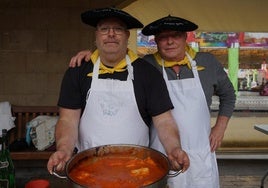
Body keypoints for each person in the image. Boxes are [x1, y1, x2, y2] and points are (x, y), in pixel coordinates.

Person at [69, 15, 236, 188]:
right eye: (163, 37)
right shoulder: (148, 65)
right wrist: (92, 55)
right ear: (156, 40)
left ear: (185, 37)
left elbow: (229, 95)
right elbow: (116, 56)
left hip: (201, 150)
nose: (169, 42)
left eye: (175, 35)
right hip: (162, 152)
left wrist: (220, 128)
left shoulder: (207, 62)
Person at [47, 8, 190, 175]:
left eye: (118, 29)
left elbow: (164, 120)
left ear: (127, 36)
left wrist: (173, 148)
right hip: (87, 170)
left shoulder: (148, 73)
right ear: (96, 35)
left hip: (137, 170)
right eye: (104, 29)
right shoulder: (77, 71)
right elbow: (68, 120)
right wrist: (64, 150)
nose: (111, 34)